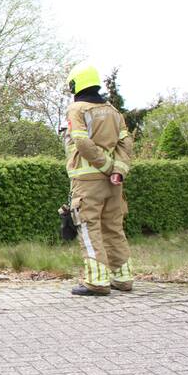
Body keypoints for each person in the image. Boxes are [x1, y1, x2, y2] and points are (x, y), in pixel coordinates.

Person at [63, 63, 135, 296]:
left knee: (89, 227)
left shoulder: (77, 109)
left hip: (87, 182)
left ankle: (97, 281)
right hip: (114, 183)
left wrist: (105, 167)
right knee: (114, 227)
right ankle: (123, 277)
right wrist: (118, 170)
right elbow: (126, 143)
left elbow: (81, 142)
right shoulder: (113, 111)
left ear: (75, 84)